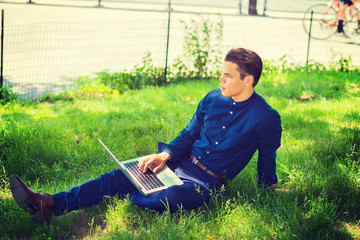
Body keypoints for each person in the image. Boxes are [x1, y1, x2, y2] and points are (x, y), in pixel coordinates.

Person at [9, 48, 283, 223]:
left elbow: (266, 160)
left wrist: (269, 187)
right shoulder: (212, 98)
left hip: (206, 181)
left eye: (228, 76)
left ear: (248, 80)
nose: (220, 80)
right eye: (220, 74)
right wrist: (164, 155)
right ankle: (49, 203)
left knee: (171, 198)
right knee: (119, 175)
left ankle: (129, 193)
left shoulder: (266, 117)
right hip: (179, 161)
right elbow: (188, 134)